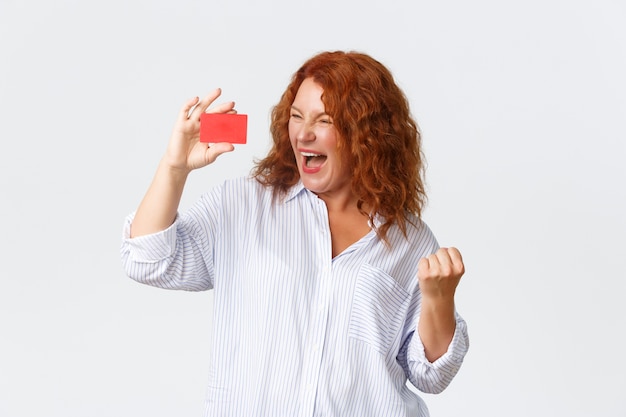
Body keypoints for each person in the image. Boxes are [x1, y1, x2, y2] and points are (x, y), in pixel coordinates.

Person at [121, 50, 469, 417]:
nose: (303, 134)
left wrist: (439, 300)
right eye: (297, 117)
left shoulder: (410, 241)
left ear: (368, 136)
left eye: (324, 120)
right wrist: (174, 166)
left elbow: (431, 374)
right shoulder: (243, 206)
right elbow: (146, 259)